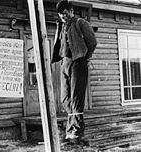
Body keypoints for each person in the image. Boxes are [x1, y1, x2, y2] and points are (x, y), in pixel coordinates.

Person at [51, 0, 97, 145]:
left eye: (65, 13)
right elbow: (59, 44)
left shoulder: (80, 23)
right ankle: (71, 129)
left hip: (78, 61)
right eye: (61, 15)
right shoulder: (62, 25)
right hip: (65, 62)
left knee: (76, 97)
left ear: (71, 10)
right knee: (65, 99)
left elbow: (92, 42)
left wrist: (85, 57)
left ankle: (76, 132)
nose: (63, 17)